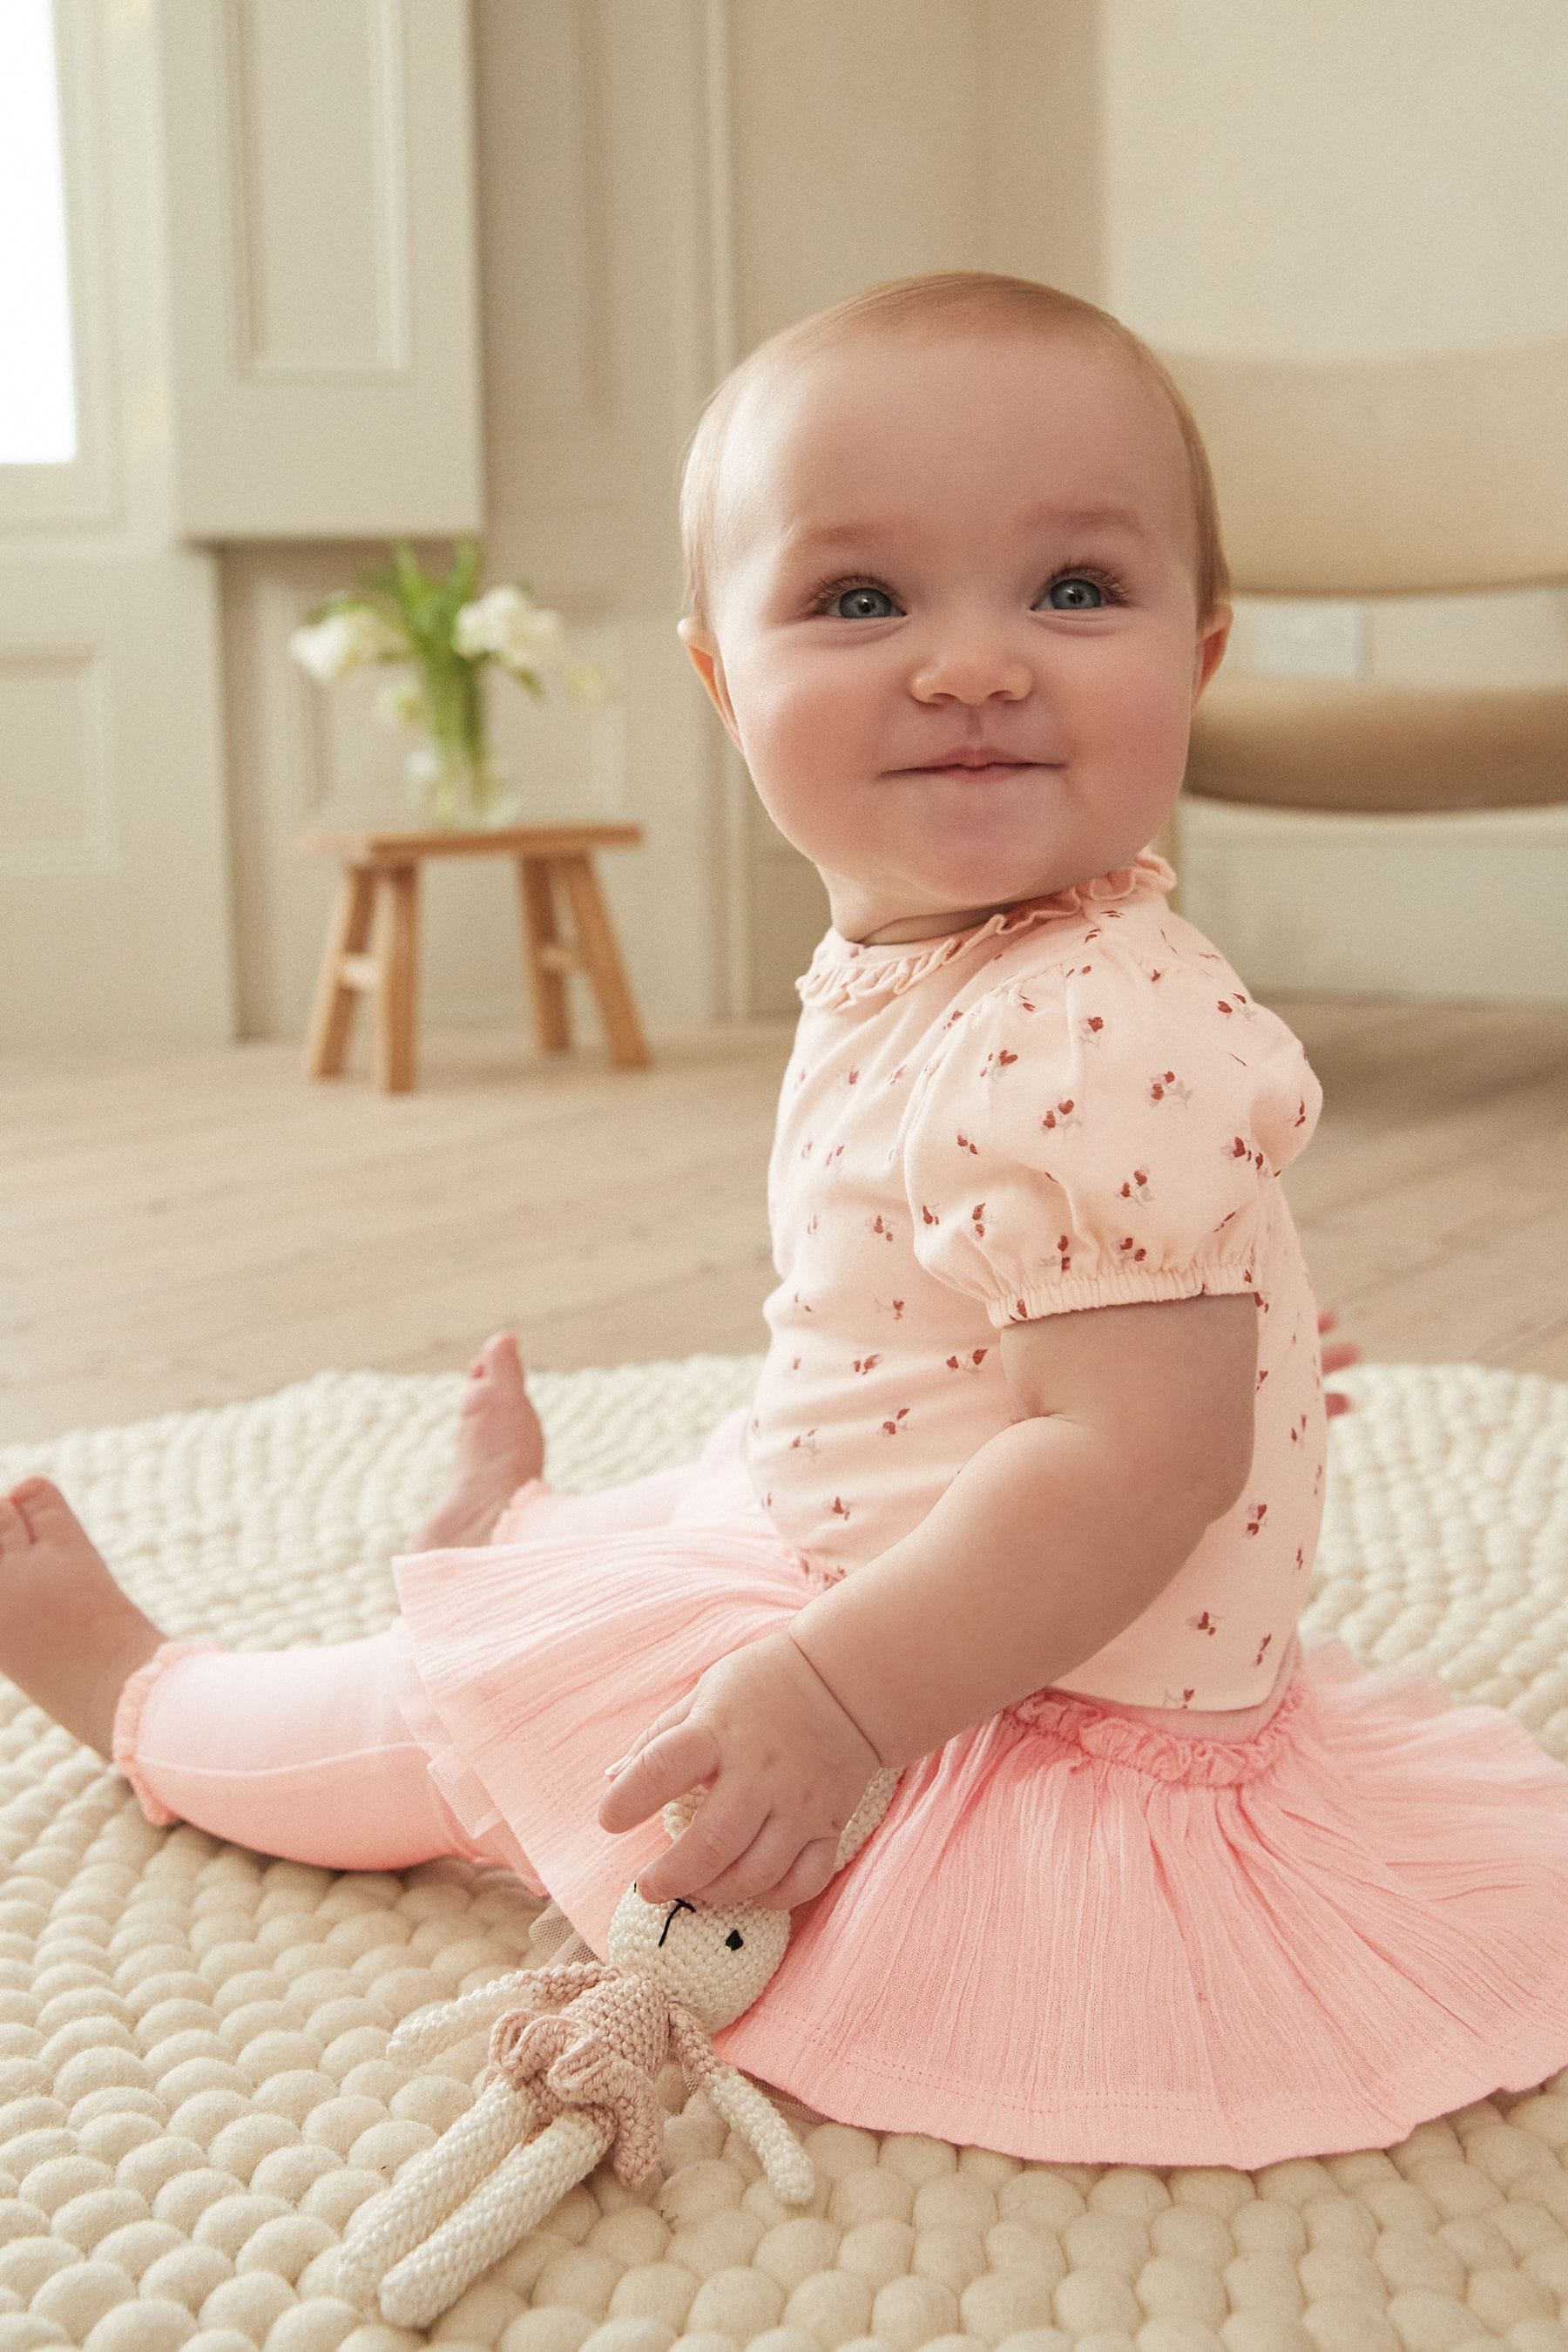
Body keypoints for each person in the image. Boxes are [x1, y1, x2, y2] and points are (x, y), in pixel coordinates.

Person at [5, 273, 1567, 2172]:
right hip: (897, 1516)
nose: (978, 661)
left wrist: (841, 1699)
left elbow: (1138, 1461)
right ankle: (512, 1547)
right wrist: (1211, 1341)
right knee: (695, 1510)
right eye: (860, 598)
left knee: (439, 1739)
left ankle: (157, 1704)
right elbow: (1091, 1334)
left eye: (1074, 589)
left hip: (989, 1682)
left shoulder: (1084, 1019)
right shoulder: (969, 963)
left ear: (1204, 650)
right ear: (722, 676)